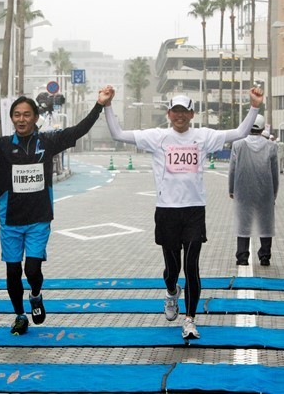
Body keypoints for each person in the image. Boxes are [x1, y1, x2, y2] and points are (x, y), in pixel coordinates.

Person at [0, 87, 114, 335]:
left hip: (39, 219)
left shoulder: (47, 142)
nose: (21, 119)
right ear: (11, 118)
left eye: (27, 114)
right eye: (16, 115)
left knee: (32, 271)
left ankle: (36, 295)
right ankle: (19, 315)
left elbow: (78, 131)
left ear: (35, 117)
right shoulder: (2, 146)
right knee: (14, 272)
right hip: (10, 221)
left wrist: (99, 105)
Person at [104, 87, 264, 340]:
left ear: (192, 113)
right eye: (175, 111)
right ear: (169, 113)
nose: (179, 116)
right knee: (172, 269)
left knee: (191, 266)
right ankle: (170, 293)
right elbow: (117, 134)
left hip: (193, 210)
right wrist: (108, 105)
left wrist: (254, 106)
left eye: (184, 111)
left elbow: (239, 132)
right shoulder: (157, 137)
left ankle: (190, 320)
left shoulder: (203, 136)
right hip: (167, 211)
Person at [228, 114, 278, 266]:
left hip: (243, 191)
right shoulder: (271, 146)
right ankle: (265, 256)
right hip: (265, 191)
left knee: (243, 223)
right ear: (263, 128)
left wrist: (231, 189)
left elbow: (232, 170)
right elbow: (275, 172)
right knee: (265, 223)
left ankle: (242, 257)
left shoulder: (238, 145)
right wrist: (274, 193)